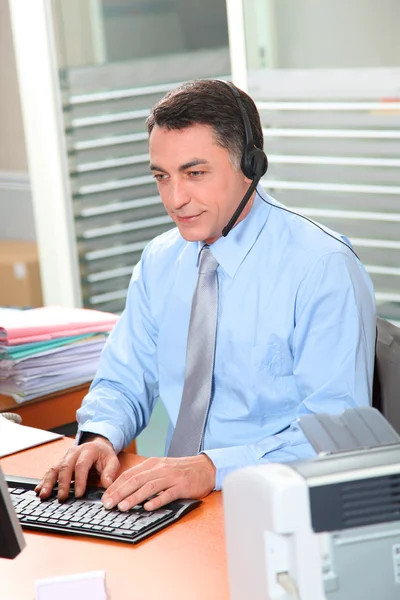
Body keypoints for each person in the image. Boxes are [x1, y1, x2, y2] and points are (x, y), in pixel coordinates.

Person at [36, 79, 376, 513]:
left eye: (195, 173)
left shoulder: (322, 268)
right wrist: (101, 435)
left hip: (278, 505)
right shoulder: (161, 260)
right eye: (162, 177)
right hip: (173, 501)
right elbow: (125, 378)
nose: (176, 199)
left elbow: (336, 436)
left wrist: (212, 468)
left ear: (250, 165)